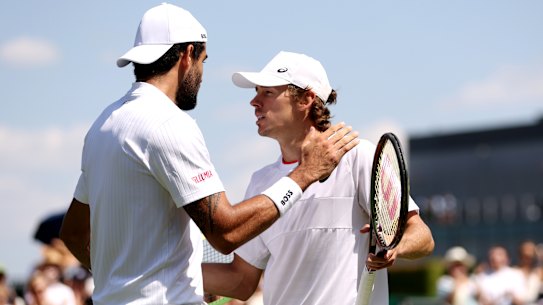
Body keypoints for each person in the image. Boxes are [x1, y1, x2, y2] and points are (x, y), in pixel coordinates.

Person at [59, 4, 359, 305]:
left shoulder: (103, 125)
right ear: (188, 55)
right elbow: (225, 233)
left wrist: (126, 279)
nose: (201, 73)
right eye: (203, 60)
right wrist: (304, 175)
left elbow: (72, 233)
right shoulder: (168, 124)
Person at [202, 51, 435, 305]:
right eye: (256, 92)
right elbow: (241, 280)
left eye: (267, 93)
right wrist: (167, 270)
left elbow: (422, 235)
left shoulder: (359, 156)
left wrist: (395, 246)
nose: (254, 102)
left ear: (306, 99)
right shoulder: (260, 183)